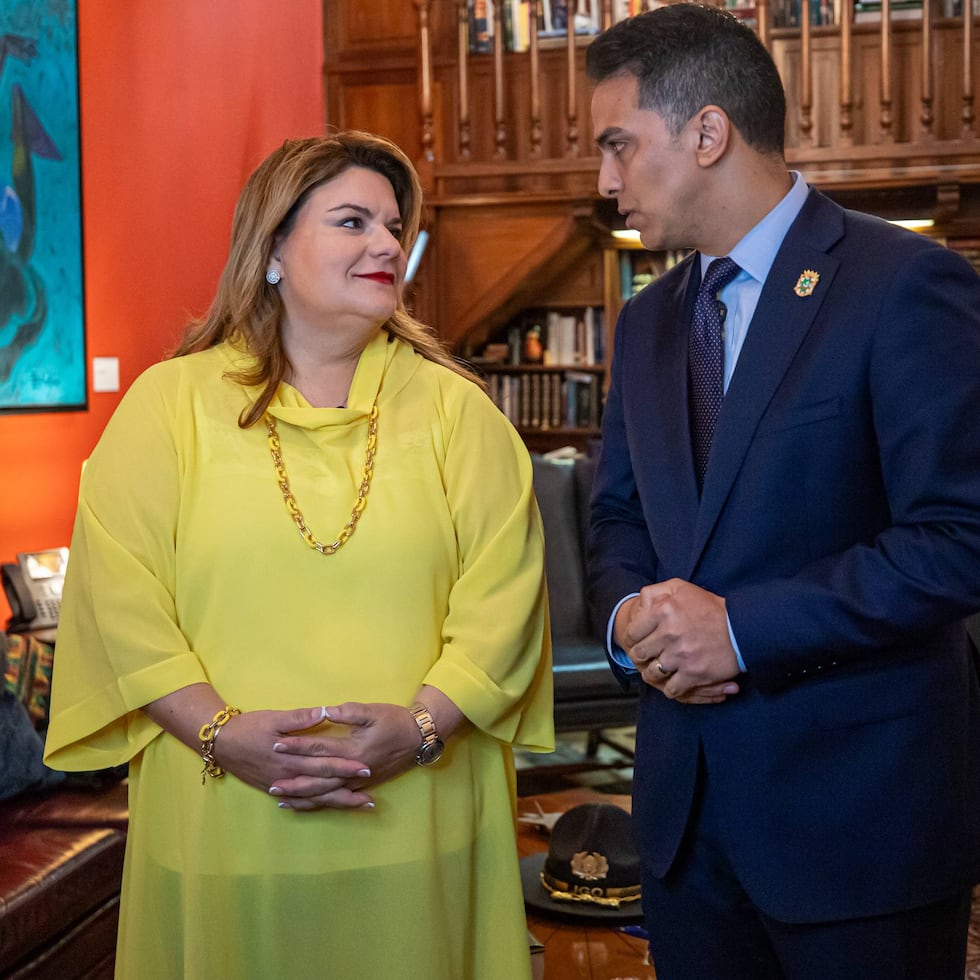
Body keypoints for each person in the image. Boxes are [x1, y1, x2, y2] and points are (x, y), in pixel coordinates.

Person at [44, 130, 554, 979]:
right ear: (272, 249)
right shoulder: (167, 406)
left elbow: (503, 602)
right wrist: (219, 732)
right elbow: (119, 600)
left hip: (419, 818)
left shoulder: (462, 416)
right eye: (353, 221)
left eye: (395, 227)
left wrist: (422, 728)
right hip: (224, 826)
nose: (387, 244)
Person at [584, 6, 980, 978]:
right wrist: (633, 611)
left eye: (617, 145)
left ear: (707, 132)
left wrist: (742, 628)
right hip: (684, 831)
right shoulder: (643, 324)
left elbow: (959, 533)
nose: (602, 181)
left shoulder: (903, 283)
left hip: (858, 829)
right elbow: (619, 516)